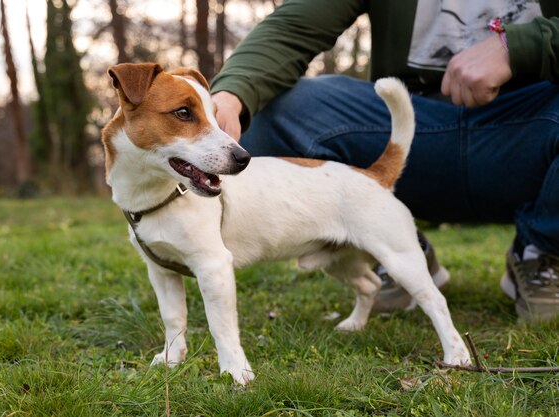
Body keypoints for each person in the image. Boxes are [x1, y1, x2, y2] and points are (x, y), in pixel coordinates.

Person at [210, 0, 559, 322]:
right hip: (413, 121)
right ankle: (392, 246)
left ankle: (542, 251)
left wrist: (520, 47)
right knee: (279, 111)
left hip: (534, 122)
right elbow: (295, 26)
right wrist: (232, 92)